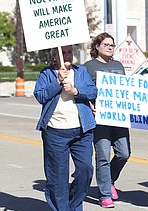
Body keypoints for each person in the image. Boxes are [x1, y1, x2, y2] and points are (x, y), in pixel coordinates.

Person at [33, 45, 97, 211]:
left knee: (85, 170)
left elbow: (93, 91)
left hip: (82, 130)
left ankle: (74, 204)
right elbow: (40, 96)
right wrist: (57, 82)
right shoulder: (47, 73)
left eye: (70, 52)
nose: (67, 55)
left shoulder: (81, 71)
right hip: (56, 132)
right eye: (63, 52)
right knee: (58, 178)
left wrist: (76, 90)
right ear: (55, 56)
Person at [84, 32, 131, 208]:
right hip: (100, 119)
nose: (110, 47)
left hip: (119, 118)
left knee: (123, 153)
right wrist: (89, 105)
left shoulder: (118, 65)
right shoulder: (88, 67)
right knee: (103, 156)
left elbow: (124, 90)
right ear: (97, 47)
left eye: (112, 45)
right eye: (106, 44)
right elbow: (84, 89)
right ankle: (104, 194)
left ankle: (110, 180)